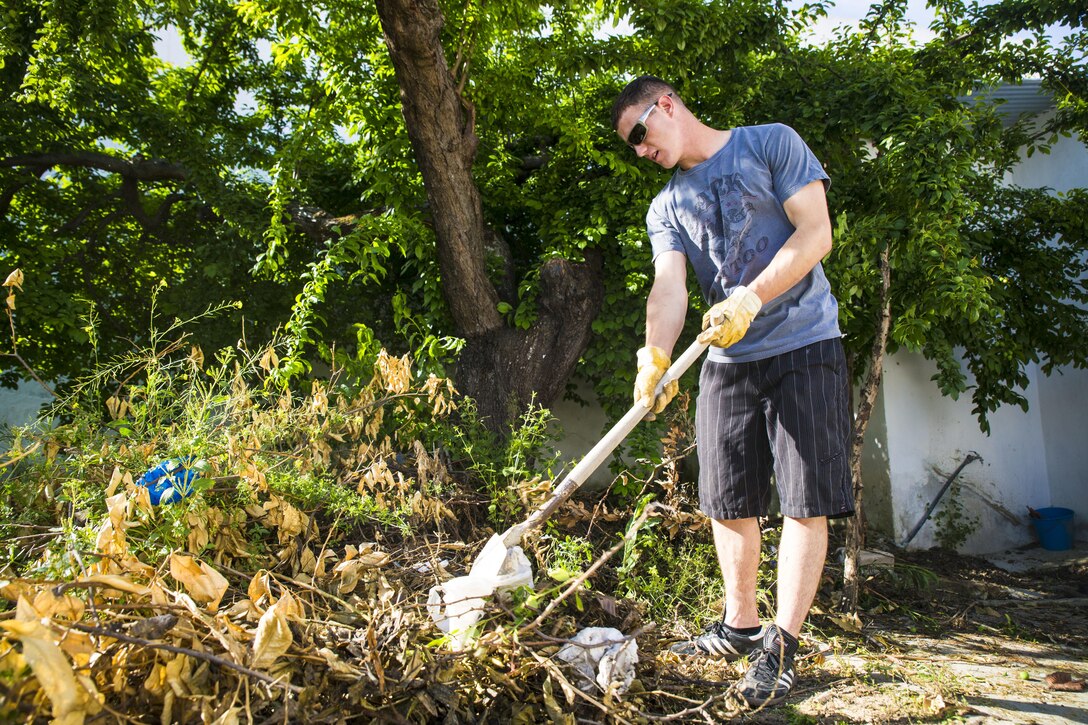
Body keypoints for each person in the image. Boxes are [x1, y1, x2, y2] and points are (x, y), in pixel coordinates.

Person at [611, 76, 854, 708]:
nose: (640, 150)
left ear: (666, 105)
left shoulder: (771, 145)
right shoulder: (664, 206)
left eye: (640, 133)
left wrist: (751, 296)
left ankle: (783, 645)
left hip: (803, 342)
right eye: (630, 148)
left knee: (804, 499)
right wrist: (655, 356)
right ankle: (740, 627)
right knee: (725, 496)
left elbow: (815, 232)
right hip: (726, 360)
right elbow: (669, 288)